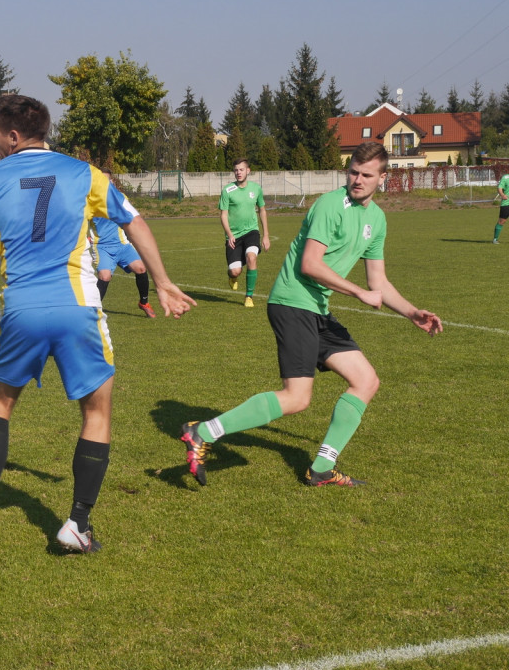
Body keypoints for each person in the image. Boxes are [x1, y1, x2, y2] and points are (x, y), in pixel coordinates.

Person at [0, 94, 195, 553]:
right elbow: (135, 221)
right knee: (97, 411)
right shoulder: (84, 172)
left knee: (0, 404)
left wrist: (20, 255)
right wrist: (162, 282)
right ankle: (76, 524)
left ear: (12, 135)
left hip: (20, 309)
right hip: (77, 306)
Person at [181, 142, 442, 488]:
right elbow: (310, 265)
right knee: (297, 397)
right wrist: (358, 293)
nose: (357, 180)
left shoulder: (376, 220)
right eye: (353, 172)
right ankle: (203, 432)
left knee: (366, 381)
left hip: (318, 309)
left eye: (366, 175)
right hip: (292, 302)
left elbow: (377, 281)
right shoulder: (331, 205)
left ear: (383, 177)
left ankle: (321, 468)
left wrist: (411, 312)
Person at [90, 169, 157, 318]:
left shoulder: (121, 198)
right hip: (102, 247)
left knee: (140, 268)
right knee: (105, 276)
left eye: (109, 180)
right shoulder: (90, 201)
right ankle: (94, 311)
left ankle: (144, 302)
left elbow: (132, 220)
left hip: (122, 244)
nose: (107, 183)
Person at [219, 158, 270, 307]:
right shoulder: (227, 190)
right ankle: (232, 277)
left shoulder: (256, 189)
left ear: (248, 171)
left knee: (251, 257)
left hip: (251, 231)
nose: (238, 173)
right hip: (234, 235)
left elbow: (262, 210)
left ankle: (249, 296)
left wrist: (266, 235)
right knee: (235, 271)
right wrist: (229, 234)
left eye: (241, 170)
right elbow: (223, 215)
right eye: (236, 170)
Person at [493, 171, 509, 244]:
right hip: (506, 203)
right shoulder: (505, 177)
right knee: (502, 221)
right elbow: (500, 188)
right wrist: (502, 195)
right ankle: (495, 239)